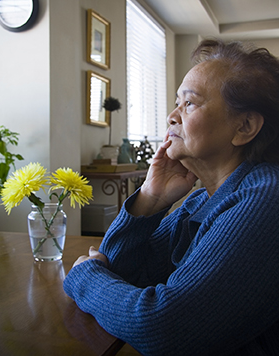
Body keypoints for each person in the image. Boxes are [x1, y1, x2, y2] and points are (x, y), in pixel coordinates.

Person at [63, 39, 279, 355]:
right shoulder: (201, 200)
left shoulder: (264, 199)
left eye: (189, 103)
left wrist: (84, 278)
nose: (171, 116)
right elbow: (119, 270)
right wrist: (150, 198)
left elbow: (162, 328)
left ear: (244, 126)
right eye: (176, 102)